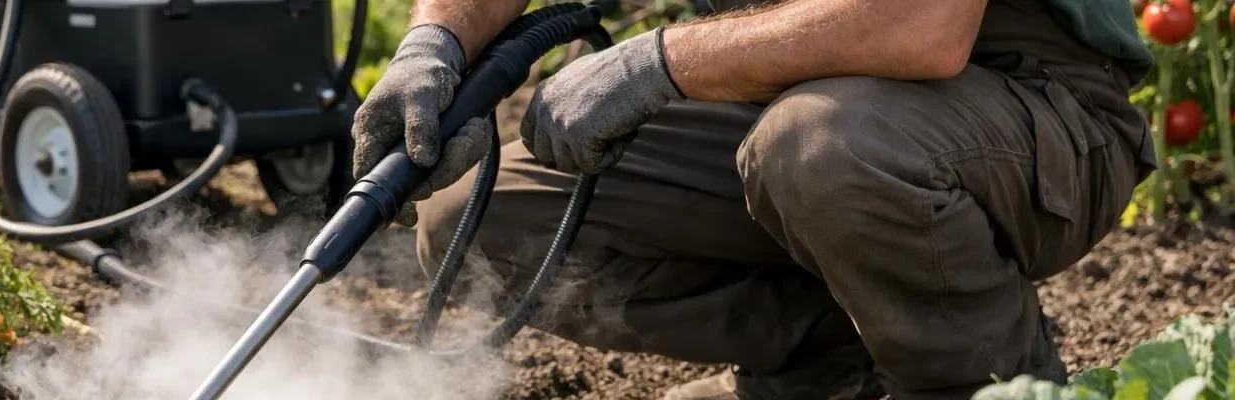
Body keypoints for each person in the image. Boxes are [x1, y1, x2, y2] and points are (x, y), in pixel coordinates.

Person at [348, 0, 1155, 398]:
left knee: (819, 146)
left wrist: (657, 62)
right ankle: (839, 370)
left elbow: (924, 27)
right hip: (789, 91)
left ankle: (998, 390)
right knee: (478, 220)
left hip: (1026, 99)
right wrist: (437, 42)